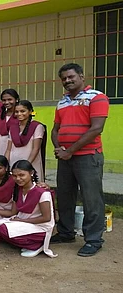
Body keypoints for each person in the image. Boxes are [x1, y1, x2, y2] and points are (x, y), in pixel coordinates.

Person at [50, 63, 109, 257]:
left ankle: (93, 239)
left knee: (91, 198)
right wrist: (59, 149)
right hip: (65, 157)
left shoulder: (97, 97)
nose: (67, 81)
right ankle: (66, 232)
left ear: (82, 76)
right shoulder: (62, 102)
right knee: (65, 196)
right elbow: (55, 129)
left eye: (71, 77)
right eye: (64, 79)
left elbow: (96, 129)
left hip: (88, 156)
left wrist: (70, 151)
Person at [0, 160, 57, 258]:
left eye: (21, 175)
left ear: (31, 173)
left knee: (3, 229)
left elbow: (46, 218)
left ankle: (36, 245)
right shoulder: (17, 189)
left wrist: (22, 220)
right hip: (21, 221)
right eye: (15, 176)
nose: (18, 179)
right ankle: (21, 241)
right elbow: (14, 212)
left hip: (40, 226)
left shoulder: (42, 192)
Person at [5, 100, 46, 181]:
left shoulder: (37, 126)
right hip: (14, 163)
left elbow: (36, 148)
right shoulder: (13, 127)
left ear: (30, 111)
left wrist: (27, 165)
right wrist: (6, 164)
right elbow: (8, 149)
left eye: (23, 111)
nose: (19, 114)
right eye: (16, 112)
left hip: (31, 163)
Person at [0, 89, 20, 155]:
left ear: (16, 99)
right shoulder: (0, 115)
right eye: (4, 100)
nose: (6, 102)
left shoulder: (21, 115)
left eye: (10, 99)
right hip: (2, 144)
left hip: (16, 145)